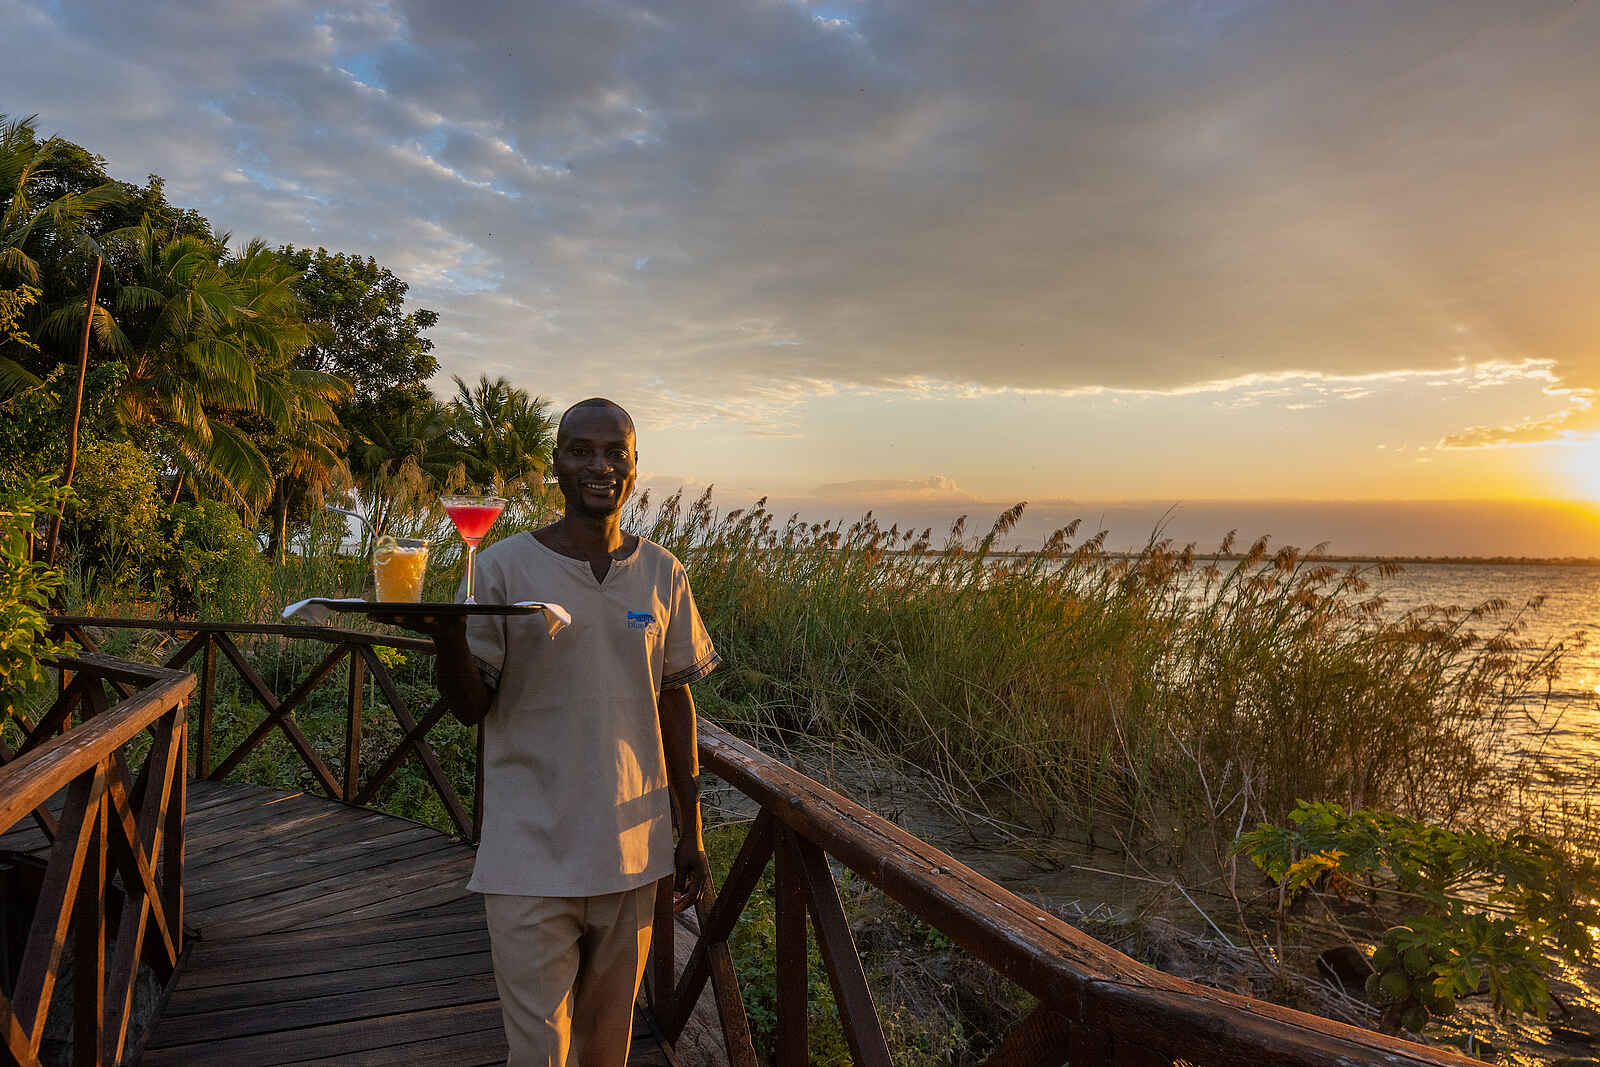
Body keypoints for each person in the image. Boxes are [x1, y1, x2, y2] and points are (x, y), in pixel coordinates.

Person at [417, 398, 717, 1066]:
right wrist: (448, 641)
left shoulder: (664, 572)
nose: (599, 465)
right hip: (528, 853)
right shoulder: (501, 567)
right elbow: (471, 706)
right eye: (581, 449)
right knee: (538, 1055)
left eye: (616, 451)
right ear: (555, 462)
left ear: (636, 465)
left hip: (632, 857)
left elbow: (676, 701)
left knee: (604, 1051)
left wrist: (689, 829)